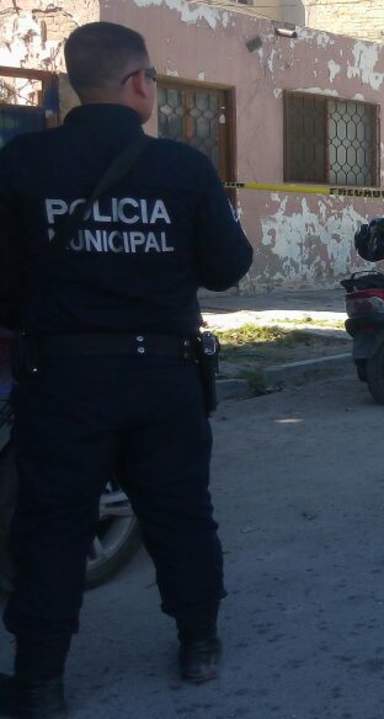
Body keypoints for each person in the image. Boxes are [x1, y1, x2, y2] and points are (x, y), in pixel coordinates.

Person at [0, 22, 253, 717]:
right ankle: (200, 644)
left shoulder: (22, 164)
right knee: (180, 512)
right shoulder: (183, 168)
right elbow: (230, 269)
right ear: (138, 82)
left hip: (62, 380)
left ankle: (41, 681)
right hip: (162, 377)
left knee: (51, 525)